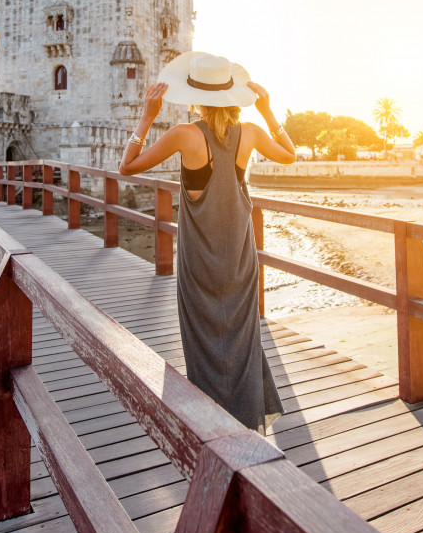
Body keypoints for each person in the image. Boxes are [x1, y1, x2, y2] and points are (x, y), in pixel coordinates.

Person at [119, 51, 296, 433]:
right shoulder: (249, 132)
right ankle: (247, 421)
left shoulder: (184, 134)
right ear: (232, 95)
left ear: (195, 97)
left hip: (199, 257)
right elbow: (289, 155)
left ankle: (211, 424)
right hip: (241, 254)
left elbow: (127, 167)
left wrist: (146, 117)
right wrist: (266, 110)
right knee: (243, 337)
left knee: (202, 337)